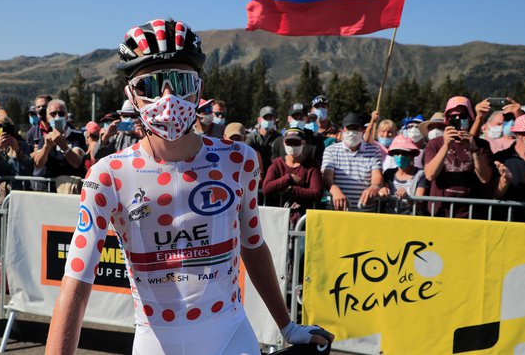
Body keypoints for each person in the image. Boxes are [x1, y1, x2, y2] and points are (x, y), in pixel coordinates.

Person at [46, 19, 333, 355]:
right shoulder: (107, 175)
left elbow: (253, 245)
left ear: (198, 89)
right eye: (152, 86)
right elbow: (77, 280)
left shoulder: (239, 159)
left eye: (181, 82)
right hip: (156, 340)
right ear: (131, 95)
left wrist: (288, 326)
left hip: (229, 334)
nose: (168, 98)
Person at [424, 96, 493, 218]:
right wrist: (446, 146)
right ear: (447, 120)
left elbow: (485, 178)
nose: (458, 119)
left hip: (470, 214)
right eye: (453, 116)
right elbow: (430, 174)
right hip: (440, 213)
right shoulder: (435, 143)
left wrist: (474, 150)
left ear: (470, 118)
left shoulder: (481, 144)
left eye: (462, 116)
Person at [321, 112, 383, 211]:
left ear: (362, 130)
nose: (352, 132)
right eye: (349, 128)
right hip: (337, 212)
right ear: (342, 130)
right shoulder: (331, 150)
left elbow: (377, 176)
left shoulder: (374, 150)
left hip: (365, 212)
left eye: (356, 128)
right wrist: (335, 191)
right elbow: (327, 177)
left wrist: (374, 187)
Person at [262, 128, 322, 226]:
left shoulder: (312, 165)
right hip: (279, 220)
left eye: (296, 142)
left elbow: (316, 192)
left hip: (303, 220)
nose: (292, 146)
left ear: (304, 143)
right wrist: (289, 178)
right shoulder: (277, 164)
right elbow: (266, 188)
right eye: (289, 142)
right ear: (284, 143)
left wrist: (291, 190)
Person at [32, 99, 86, 193]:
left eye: (61, 114)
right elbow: (38, 164)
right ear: (48, 118)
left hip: (71, 189)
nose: (57, 117)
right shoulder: (45, 138)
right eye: (53, 114)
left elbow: (77, 162)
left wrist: (64, 146)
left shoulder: (77, 136)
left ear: (66, 116)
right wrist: (46, 147)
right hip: (50, 190)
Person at [378, 135, 429, 214]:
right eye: (397, 153)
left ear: (412, 155)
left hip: (411, 222)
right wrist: (382, 190)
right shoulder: (388, 173)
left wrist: (407, 197)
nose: (400, 156)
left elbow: (419, 204)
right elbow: (384, 190)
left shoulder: (421, 175)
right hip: (389, 220)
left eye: (404, 153)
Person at [0, 116, 32, 194]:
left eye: (6, 127)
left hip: (18, 190)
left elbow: (29, 166)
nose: (3, 130)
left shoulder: (22, 145)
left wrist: (17, 150)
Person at [245, 105, 281, 177]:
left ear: (274, 120)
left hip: (274, 175)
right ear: (259, 120)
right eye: (265, 118)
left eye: (270, 118)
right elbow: (247, 158)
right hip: (256, 175)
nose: (268, 121)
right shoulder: (252, 138)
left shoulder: (279, 138)